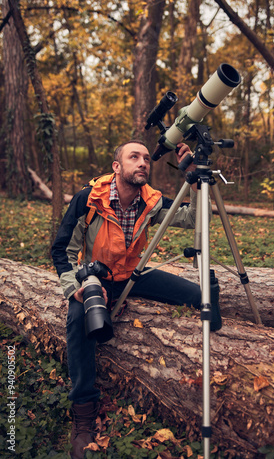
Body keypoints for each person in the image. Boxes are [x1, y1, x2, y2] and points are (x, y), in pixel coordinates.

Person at [51, 140, 221, 459]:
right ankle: (84, 414)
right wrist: (73, 285)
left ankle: (211, 303)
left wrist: (196, 181)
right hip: (95, 278)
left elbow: (196, 220)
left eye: (146, 158)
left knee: (198, 295)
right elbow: (61, 250)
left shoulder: (151, 202)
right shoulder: (89, 199)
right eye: (134, 157)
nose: (142, 162)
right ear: (117, 167)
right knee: (77, 322)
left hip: (131, 274)